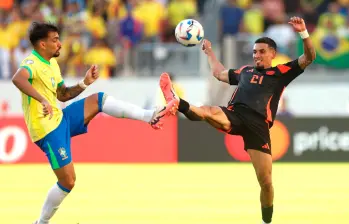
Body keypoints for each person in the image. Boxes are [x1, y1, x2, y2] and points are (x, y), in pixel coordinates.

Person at [11, 22, 178, 224]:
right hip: (46, 130)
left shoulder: (52, 64)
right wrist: (43, 100)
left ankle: (149, 115)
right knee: (68, 181)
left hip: (60, 119)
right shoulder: (31, 63)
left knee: (98, 99)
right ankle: (41, 222)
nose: (60, 44)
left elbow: (63, 95)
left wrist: (84, 83)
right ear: (42, 44)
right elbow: (18, 79)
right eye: (55, 40)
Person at [160, 17, 315, 224]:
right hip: (235, 113)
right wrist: (209, 52)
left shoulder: (281, 72)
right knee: (209, 111)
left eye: (261, 51)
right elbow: (218, 73)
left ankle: (266, 221)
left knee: (266, 182)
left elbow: (309, 57)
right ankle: (177, 102)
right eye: (254, 52)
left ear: (272, 54)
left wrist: (303, 33)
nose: (256, 55)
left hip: (258, 125)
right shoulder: (245, 71)